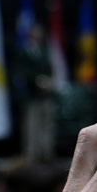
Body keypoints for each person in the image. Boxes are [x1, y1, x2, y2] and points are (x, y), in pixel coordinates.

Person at [12, 22, 56, 161]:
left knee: (46, 124)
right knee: (31, 124)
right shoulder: (23, 51)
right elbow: (21, 71)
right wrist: (37, 80)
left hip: (45, 95)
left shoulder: (45, 51)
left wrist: (47, 81)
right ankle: (30, 155)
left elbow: (49, 69)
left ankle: (46, 153)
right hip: (30, 94)